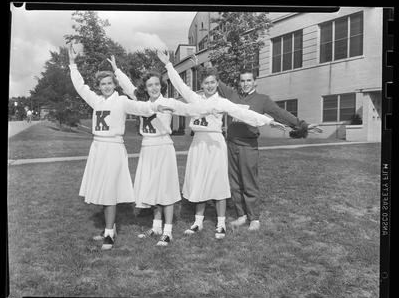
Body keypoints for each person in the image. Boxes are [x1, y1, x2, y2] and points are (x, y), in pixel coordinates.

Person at [157, 50, 286, 239]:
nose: (209, 86)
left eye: (212, 82)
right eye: (206, 83)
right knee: (198, 180)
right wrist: (168, 65)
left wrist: (267, 121)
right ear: (201, 85)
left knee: (218, 183)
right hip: (198, 143)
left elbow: (243, 113)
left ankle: (221, 223)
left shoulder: (223, 102)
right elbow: (180, 85)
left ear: (217, 84)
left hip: (215, 143)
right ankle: (198, 221)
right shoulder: (195, 99)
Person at [107, 56, 223, 246]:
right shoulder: (141, 102)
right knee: (153, 188)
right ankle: (156, 226)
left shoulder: (169, 102)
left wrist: (209, 109)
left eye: (156, 84)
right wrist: (117, 70)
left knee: (166, 190)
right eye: (150, 85)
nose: (154, 88)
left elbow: (189, 109)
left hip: (164, 148)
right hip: (147, 149)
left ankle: (168, 232)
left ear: (161, 85)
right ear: (145, 88)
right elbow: (128, 87)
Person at [67, 44, 174, 250]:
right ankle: (111, 228)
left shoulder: (122, 101)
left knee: (109, 191)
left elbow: (140, 105)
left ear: (115, 85)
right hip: (97, 148)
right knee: (100, 190)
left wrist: (155, 105)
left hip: (114, 148)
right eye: (103, 83)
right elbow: (80, 87)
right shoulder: (96, 101)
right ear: (98, 86)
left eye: (109, 83)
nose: (106, 86)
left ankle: (109, 234)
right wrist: (72, 64)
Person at [217, 68, 323, 231]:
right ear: (239, 82)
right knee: (235, 182)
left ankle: (254, 218)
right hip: (231, 144)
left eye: (249, 80)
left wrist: (303, 125)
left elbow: (280, 114)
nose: (245, 84)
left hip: (248, 145)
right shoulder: (232, 95)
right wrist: (206, 67)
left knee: (249, 181)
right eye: (243, 81)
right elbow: (216, 80)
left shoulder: (263, 99)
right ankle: (241, 215)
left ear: (255, 82)